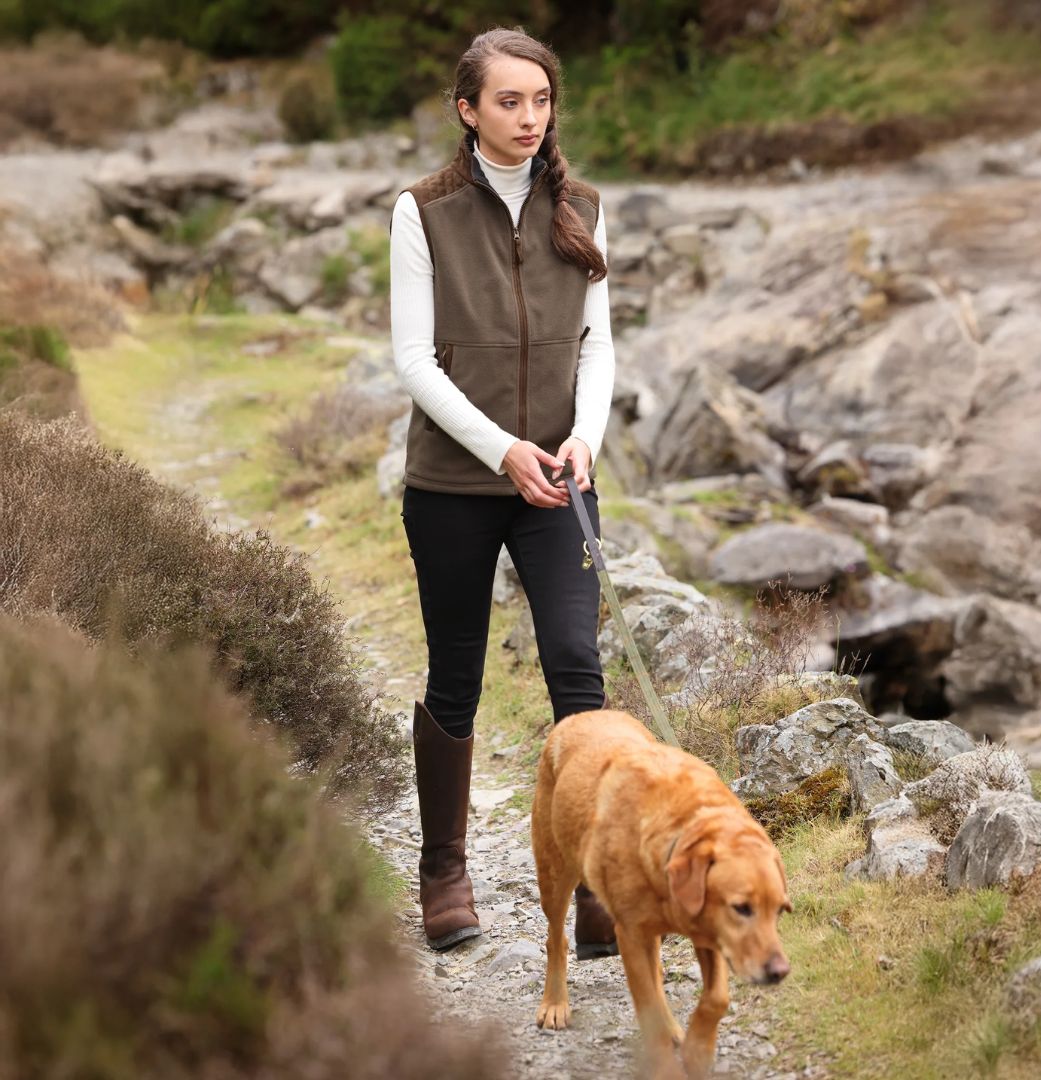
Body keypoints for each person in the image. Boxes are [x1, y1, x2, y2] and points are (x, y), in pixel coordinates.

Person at [390, 27, 618, 956]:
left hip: (558, 478)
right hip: (453, 482)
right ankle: (445, 869)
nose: (530, 118)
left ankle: (596, 875)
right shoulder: (424, 211)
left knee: (578, 664)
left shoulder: (584, 205)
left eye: (542, 101)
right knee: (458, 672)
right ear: (468, 109)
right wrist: (500, 451)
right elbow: (412, 360)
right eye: (510, 102)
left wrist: (582, 437)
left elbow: (597, 341)